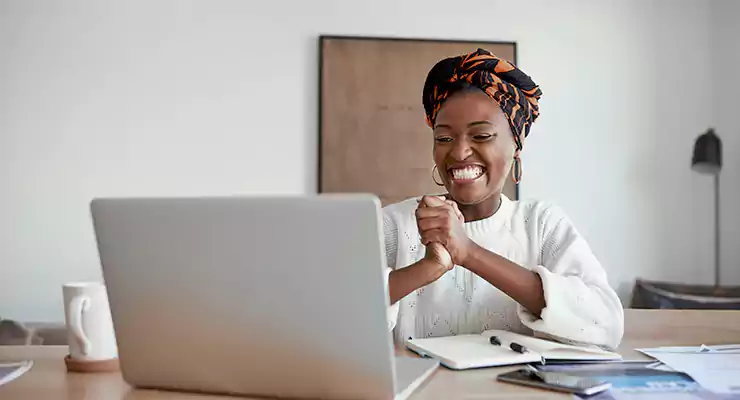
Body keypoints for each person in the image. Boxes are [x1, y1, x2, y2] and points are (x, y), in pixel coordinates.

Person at [382, 48, 623, 350]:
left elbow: (605, 324)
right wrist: (426, 268)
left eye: (481, 136)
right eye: (444, 138)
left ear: (515, 145)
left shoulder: (541, 224)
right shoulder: (393, 225)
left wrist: (468, 252)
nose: (458, 153)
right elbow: (331, 318)